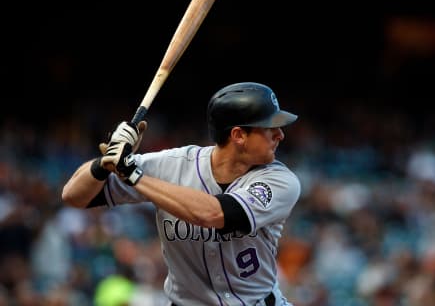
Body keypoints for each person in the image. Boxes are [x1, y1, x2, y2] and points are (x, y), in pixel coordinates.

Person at [62, 81, 301, 306]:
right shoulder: (173, 164)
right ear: (238, 135)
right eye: (270, 127)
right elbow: (74, 195)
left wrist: (134, 175)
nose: (280, 134)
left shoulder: (281, 180)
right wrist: (104, 163)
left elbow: (214, 214)